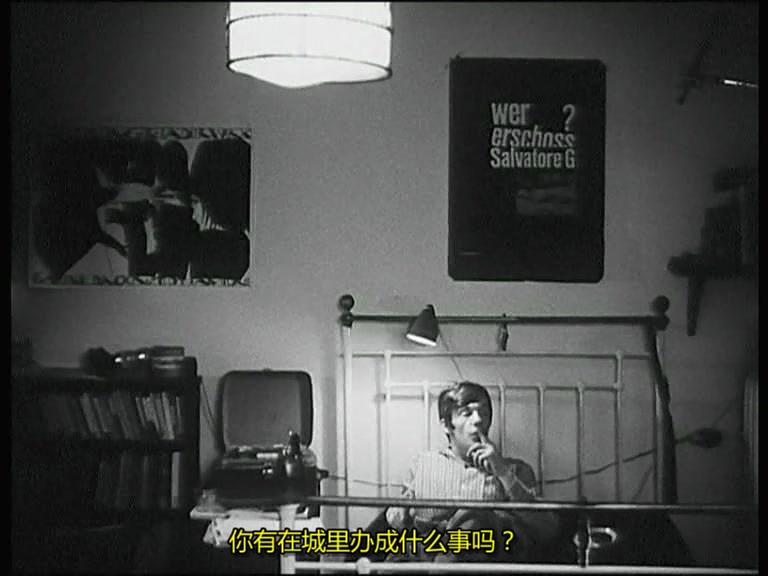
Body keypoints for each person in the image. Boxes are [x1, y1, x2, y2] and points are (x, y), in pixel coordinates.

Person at [385, 380, 560, 563]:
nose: (478, 420)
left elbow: (547, 529)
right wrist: (401, 513)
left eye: (483, 413)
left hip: (486, 558)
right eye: (467, 413)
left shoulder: (515, 470)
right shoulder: (422, 464)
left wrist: (502, 472)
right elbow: (396, 523)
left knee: (475, 516)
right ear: (446, 425)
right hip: (429, 552)